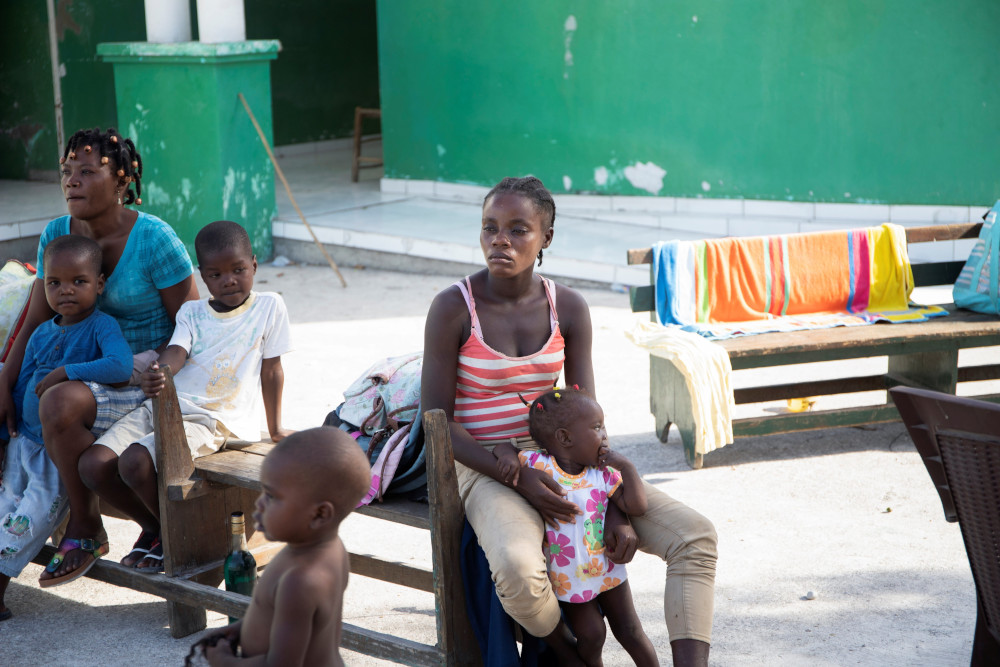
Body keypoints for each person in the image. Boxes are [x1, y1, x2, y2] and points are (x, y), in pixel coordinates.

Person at [420, 176, 717, 665]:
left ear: (546, 239)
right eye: (490, 227)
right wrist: (515, 475)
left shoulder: (569, 308)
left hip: (567, 460)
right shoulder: (454, 307)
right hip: (482, 461)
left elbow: (588, 421)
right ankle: (571, 651)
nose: (501, 240)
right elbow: (439, 424)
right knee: (518, 570)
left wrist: (613, 505)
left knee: (695, 536)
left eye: (519, 230)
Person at [0, 127, 201, 587]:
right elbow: (33, 320)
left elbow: (193, 327)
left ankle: (86, 524)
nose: (72, 181)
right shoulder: (57, 233)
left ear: (123, 182)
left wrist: (165, 378)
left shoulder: (155, 240)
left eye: (88, 172)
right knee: (31, 394)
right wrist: (5, 381)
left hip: (139, 377)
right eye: (67, 171)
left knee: (58, 401)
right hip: (79, 376)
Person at [80, 220, 293, 570]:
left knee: (134, 462)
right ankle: (159, 528)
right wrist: (159, 373)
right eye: (216, 274)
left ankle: (173, 537)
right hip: (168, 405)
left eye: (239, 269)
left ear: (254, 264)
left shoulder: (269, 307)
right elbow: (176, 353)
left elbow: (272, 370)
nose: (229, 280)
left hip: (214, 419)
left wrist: (276, 428)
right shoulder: (192, 312)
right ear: (203, 277)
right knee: (93, 465)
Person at [0, 235, 132, 613]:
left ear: (100, 284)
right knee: (5, 502)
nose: (66, 291)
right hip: (23, 440)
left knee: (32, 513)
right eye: (54, 283)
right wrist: (4, 436)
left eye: (79, 281)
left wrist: (66, 371)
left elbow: (121, 366)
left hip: (55, 450)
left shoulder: (100, 326)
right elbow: (22, 381)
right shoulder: (41, 332)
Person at [493, 386, 658, 666]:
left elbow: (636, 506)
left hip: (608, 567)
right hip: (570, 577)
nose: (605, 435)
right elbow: (503, 446)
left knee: (630, 631)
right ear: (565, 437)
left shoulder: (602, 473)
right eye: (597, 427)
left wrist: (627, 467)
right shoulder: (539, 465)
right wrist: (509, 458)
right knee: (593, 635)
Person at [187, 427, 371, 667]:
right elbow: (280, 615)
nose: (260, 503)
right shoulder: (321, 549)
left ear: (319, 514)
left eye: (272, 496)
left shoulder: (301, 581)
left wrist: (224, 662)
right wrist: (238, 631)